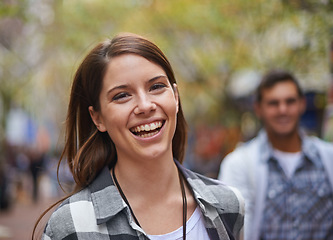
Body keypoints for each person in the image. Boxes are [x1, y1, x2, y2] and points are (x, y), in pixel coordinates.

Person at [35, 33, 244, 240]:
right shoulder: (71, 225)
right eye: (122, 95)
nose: (145, 106)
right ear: (98, 118)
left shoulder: (228, 205)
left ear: (176, 97)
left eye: (156, 87)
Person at [218, 69, 333, 240]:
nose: (283, 110)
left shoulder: (328, 158)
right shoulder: (240, 164)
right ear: (258, 108)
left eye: (290, 101)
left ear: (302, 104)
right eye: (273, 103)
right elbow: (232, 231)